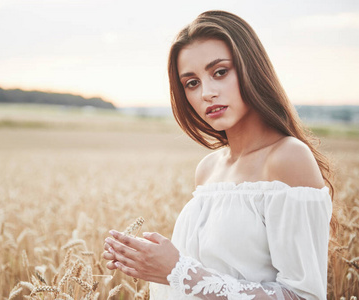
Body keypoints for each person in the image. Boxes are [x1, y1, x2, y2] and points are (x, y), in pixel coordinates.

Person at [103, 10, 334, 300]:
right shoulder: (208, 169)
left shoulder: (288, 158)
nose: (206, 93)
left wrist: (178, 271)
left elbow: (304, 296)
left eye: (220, 72)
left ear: (251, 68)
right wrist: (147, 262)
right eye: (192, 83)